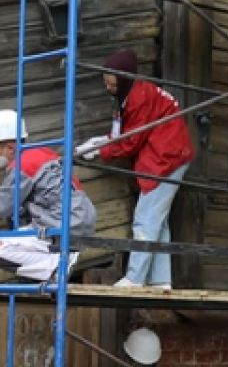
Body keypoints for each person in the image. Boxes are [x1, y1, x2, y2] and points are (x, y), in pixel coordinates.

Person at [76, 50, 194, 291]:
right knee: (157, 222)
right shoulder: (130, 94)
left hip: (167, 157)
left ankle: (135, 278)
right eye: (105, 80)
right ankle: (162, 281)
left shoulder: (138, 98)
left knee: (145, 219)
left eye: (111, 81)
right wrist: (102, 141)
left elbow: (130, 142)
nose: (107, 85)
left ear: (124, 78)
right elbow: (124, 133)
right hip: (169, 153)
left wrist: (101, 150)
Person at [0, 109, 97, 282]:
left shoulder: (23, 164)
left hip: (61, 223)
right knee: (20, 230)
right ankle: (55, 264)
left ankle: (56, 264)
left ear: (10, 147)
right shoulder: (43, 154)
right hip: (79, 218)